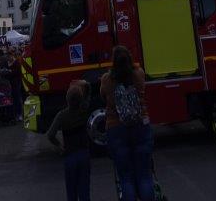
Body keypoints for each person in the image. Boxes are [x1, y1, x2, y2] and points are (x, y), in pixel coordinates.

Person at [100, 45, 154, 201]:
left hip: (116, 129)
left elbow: (103, 96)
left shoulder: (107, 79)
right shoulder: (139, 74)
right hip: (140, 126)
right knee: (144, 175)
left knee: (126, 177)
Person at [47, 83, 91, 201]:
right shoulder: (84, 111)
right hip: (84, 153)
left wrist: (60, 146)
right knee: (84, 191)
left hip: (70, 155)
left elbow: (50, 135)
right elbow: (88, 90)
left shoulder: (62, 116)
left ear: (67, 98)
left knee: (71, 192)